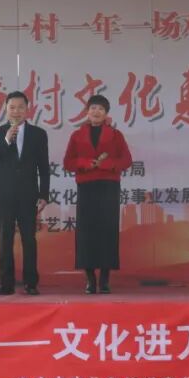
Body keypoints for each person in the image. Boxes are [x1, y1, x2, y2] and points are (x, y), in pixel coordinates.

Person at [63, 95, 133, 294]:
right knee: (86, 232)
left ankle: (104, 279)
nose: (96, 112)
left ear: (106, 113)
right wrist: (85, 163)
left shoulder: (116, 135)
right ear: (87, 111)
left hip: (108, 186)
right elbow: (68, 162)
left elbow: (126, 160)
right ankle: (90, 279)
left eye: (101, 109)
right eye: (93, 108)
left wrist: (107, 164)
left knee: (107, 231)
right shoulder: (77, 135)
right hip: (86, 187)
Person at [0, 91, 50, 295]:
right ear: (5, 109)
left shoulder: (38, 134)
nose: (16, 111)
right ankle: (6, 284)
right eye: (12, 107)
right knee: (5, 239)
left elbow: (44, 167)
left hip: (28, 195)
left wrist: (44, 194)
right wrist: (5, 140)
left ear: (27, 109)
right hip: (3, 195)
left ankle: (31, 283)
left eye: (20, 107)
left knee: (29, 239)